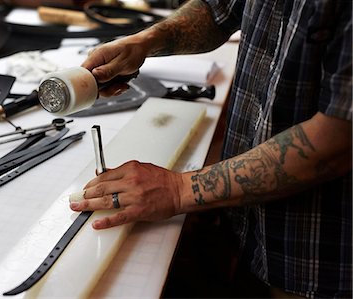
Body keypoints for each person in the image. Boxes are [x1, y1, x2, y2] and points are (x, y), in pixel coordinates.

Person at [69, 0, 352, 298]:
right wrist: (143, 43)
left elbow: (338, 140)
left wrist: (178, 189)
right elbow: (220, 10)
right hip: (245, 228)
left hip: (318, 260)